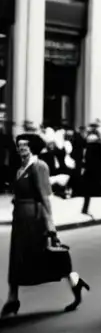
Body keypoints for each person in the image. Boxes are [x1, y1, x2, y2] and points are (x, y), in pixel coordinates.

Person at [2, 136, 90, 318]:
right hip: (20, 218)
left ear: (33, 148)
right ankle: (12, 299)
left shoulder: (39, 166)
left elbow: (45, 198)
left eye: (25, 146)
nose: (21, 149)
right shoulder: (20, 169)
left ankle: (75, 282)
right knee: (17, 257)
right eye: (19, 146)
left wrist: (51, 225)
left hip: (35, 219)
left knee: (49, 258)